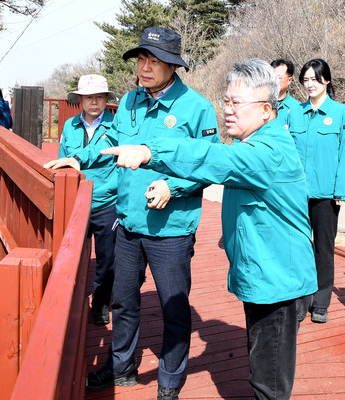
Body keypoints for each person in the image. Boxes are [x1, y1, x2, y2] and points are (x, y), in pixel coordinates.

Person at [101, 58, 317, 400]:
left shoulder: (268, 151)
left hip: (279, 279)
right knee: (262, 369)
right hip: (266, 273)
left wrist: (149, 151)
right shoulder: (256, 142)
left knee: (269, 383)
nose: (228, 110)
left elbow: (211, 158)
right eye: (226, 101)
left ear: (265, 110)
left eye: (236, 103)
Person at [44, 26, 220, 400]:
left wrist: (175, 187)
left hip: (171, 229)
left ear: (173, 66)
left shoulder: (196, 108)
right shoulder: (128, 102)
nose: (144, 67)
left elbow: (210, 164)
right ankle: (121, 366)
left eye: (154, 61)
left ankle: (170, 379)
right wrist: (78, 158)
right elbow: (109, 143)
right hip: (127, 223)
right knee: (124, 301)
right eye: (141, 59)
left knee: (173, 307)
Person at [292, 58, 345, 324]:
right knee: (297, 247)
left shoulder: (342, 113)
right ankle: (299, 299)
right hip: (295, 193)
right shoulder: (293, 112)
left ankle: (321, 302)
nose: (310, 84)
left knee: (323, 248)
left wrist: (340, 191)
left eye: (315, 79)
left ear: (326, 80)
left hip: (326, 195)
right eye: (305, 80)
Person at [58, 74, 118, 325]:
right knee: (73, 259)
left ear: (106, 99)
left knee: (108, 261)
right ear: (80, 100)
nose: (94, 101)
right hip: (76, 202)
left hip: (107, 202)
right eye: (88, 97)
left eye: (99, 96)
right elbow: (62, 162)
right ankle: (72, 302)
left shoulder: (117, 125)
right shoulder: (70, 126)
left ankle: (101, 302)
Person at [270, 58, 303, 131]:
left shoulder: (297, 108)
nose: (274, 81)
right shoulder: (260, 104)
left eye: (278, 78)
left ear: (289, 80)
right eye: (272, 77)